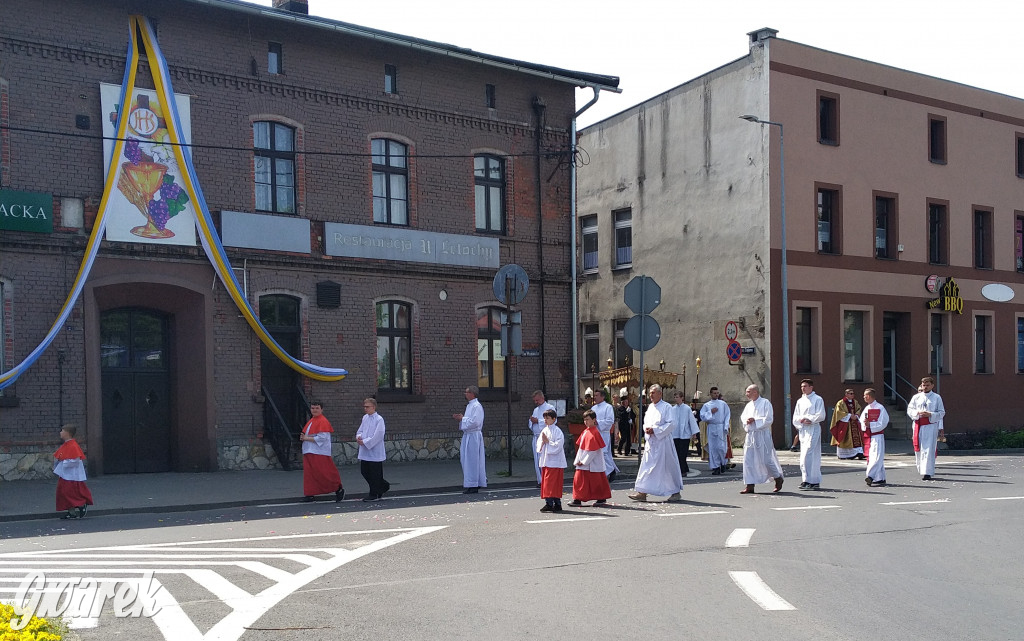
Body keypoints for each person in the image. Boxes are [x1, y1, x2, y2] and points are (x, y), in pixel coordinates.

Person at [629, 384, 684, 502]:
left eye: (653, 393)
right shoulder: (650, 407)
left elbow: (672, 423)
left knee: (668, 467)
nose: (651, 395)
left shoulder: (667, 407)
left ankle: (675, 492)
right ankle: (642, 492)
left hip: (663, 442)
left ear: (660, 394)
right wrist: (647, 430)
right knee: (647, 467)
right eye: (650, 393)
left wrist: (656, 430)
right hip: (651, 442)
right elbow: (645, 422)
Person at [740, 384, 784, 494]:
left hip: (762, 434)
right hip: (751, 435)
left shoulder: (765, 403)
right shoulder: (749, 405)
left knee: (766, 460)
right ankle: (750, 485)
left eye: (748, 391)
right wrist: (747, 421)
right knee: (748, 460)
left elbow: (769, 419)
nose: (746, 394)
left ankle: (778, 478)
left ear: (755, 392)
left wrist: (755, 420)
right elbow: (743, 417)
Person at [299, 401, 344, 502]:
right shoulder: (312, 420)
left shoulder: (322, 421)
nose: (314, 410)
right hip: (310, 450)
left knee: (324, 473)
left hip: (319, 452)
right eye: (313, 408)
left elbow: (322, 438)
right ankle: (310, 493)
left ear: (321, 409)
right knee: (310, 474)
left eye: (317, 408)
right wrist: (304, 437)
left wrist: (305, 438)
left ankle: (337, 488)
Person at [570, 410, 612, 506]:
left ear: (594, 420)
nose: (586, 422)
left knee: (595, 482)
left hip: (591, 463)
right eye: (584, 420)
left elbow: (592, 450)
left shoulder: (594, 433)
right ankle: (578, 498)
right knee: (581, 481)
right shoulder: (586, 431)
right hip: (586, 462)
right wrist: (579, 460)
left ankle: (598, 498)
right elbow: (581, 448)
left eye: (588, 419)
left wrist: (583, 461)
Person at [907, 376, 945, 481]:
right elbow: (910, 409)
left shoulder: (937, 397)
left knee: (928, 449)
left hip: (930, 426)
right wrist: (917, 413)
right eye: (924, 385)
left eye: (927, 385)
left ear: (932, 385)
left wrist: (930, 414)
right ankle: (921, 469)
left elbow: (941, 412)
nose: (925, 387)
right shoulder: (916, 397)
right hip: (918, 425)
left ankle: (927, 472)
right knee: (919, 448)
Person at [53, 424, 93, 520]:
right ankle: (71, 512)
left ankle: (81, 504)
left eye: (62, 431)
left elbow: (75, 460)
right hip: (65, 473)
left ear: (68, 433)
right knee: (62, 492)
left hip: (71, 474)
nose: (60, 433)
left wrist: (64, 462)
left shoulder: (73, 445)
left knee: (68, 492)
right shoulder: (66, 445)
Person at [792, 378, 826, 490]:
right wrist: (800, 420)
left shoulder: (817, 399)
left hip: (813, 428)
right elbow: (795, 416)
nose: (803, 388)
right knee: (804, 454)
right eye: (802, 386)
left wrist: (810, 419)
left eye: (805, 386)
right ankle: (807, 480)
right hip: (803, 430)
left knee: (809, 453)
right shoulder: (800, 401)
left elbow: (821, 414)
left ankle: (811, 479)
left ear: (811, 387)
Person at [356, 398, 390, 502]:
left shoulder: (379, 419)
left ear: (373, 407)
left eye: (367, 407)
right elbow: (360, 430)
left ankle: (374, 493)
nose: (365, 408)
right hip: (365, 449)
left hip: (375, 449)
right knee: (365, 471)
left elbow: (378, 435)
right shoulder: (365, 418)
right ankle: (382, 486)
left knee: (375, 472)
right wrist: (359, 437)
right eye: (364, 406)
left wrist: (366, 441)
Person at [455, 385, 487, 493]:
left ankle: (474, 484)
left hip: (474, 436)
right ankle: (471, 482)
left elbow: (475, 422)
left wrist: (462, 419)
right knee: (466, 460)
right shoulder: (470, 406)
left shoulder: (477, 406)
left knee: (473, 461)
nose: (465, 394)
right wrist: (462, 419)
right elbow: (470, 420)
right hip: (468, 435)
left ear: (472, 394)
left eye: (467, 392)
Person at [537, 409, 567, 513]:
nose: (545, 420)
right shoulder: (544, 430)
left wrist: (548, 442)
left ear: (554, 419)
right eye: (544, 418)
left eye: (548, 418)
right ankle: (550, 503)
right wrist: (542, 444)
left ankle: (555, 503)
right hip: (546, 461)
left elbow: (558, 446)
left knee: (552, 484)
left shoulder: (557, 431)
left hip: (555, 462)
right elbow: (539, 444)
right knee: (547, 484)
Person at [860, 388, 890, 487]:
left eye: (865, 395)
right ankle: (880, 478)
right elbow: (861, 420)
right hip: (869, 435)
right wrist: (865, 424)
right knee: (874, 456)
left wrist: (871, 425)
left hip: (877, 435)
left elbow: (883, 422)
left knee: (876, 457)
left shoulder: (880, 408)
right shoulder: (867, 408)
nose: (864, 397)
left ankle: (870, 476)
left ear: (869, 396)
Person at [700, 386, 731, 475]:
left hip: (721, 427)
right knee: (713, 448)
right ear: (711, 394)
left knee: (721, 447)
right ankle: (716, 466)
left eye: (717, 393)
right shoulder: (706, 405)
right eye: (714, 393)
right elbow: (702, 416)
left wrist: (726, 426)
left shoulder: (723, 404)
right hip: (712, 426)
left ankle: (723, 463)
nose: (716, 395)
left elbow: (727, 415)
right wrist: (710, 412)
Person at [591, 389, 619, 482]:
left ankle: (610, 470)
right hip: (595, 434)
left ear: (602, 397)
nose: (594, 397)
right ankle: (607, 471)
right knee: (598, 454)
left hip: (604, 433)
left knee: (604, 453)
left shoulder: (608, 407)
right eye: (594, 396)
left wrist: (598, 422)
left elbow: (610, 420)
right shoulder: (593, 408)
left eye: (597, 395)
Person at [528, 390, 555, 486]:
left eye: (537, 400)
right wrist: (532, 421)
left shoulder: (550, 408)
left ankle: (546, 480)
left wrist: (538, 421)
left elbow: (552, 422)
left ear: (542, 398)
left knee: (544, 459)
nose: (536, 402)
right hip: (536, 437)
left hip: (545, 438)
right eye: (535, 401)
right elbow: (531, 423)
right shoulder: (536, 410)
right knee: (537, 460)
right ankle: (540, 480)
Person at [829, 389, 865, 460]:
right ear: (846, 394)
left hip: (854, 422)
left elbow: (858, 409)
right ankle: (846, 454)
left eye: (853, 393)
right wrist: (849, 415)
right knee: (846, 438)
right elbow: (838, 412)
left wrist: (856, 415)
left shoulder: (855, 402)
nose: (852, 395)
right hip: (845, 424)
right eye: (850, 393)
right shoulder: (841, 403)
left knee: (857, 437)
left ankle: (859, 452)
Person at [671, 389, 698, 476]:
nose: (676, 399)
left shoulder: (687, 408)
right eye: (675, 397)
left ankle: (683, 470)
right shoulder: (673, 409)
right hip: (675, 434)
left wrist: (694, 433)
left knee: (683, 453)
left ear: (682, 398)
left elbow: (691, 420)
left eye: (677, 397)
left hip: (684, 434)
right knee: (677, 453)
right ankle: (682, 468)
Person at [616, 389, 636, 456]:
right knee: (623, 438)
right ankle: (619, 448)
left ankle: (627, 451)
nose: (626, 403)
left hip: (628, 425)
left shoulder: (629, 408)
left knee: (628, 438)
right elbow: (620, 415)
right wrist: (626, 412)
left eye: (626, 401)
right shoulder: (620, 408)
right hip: (622, 424)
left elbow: (633, 415)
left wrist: (631, 418)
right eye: (624, 401)